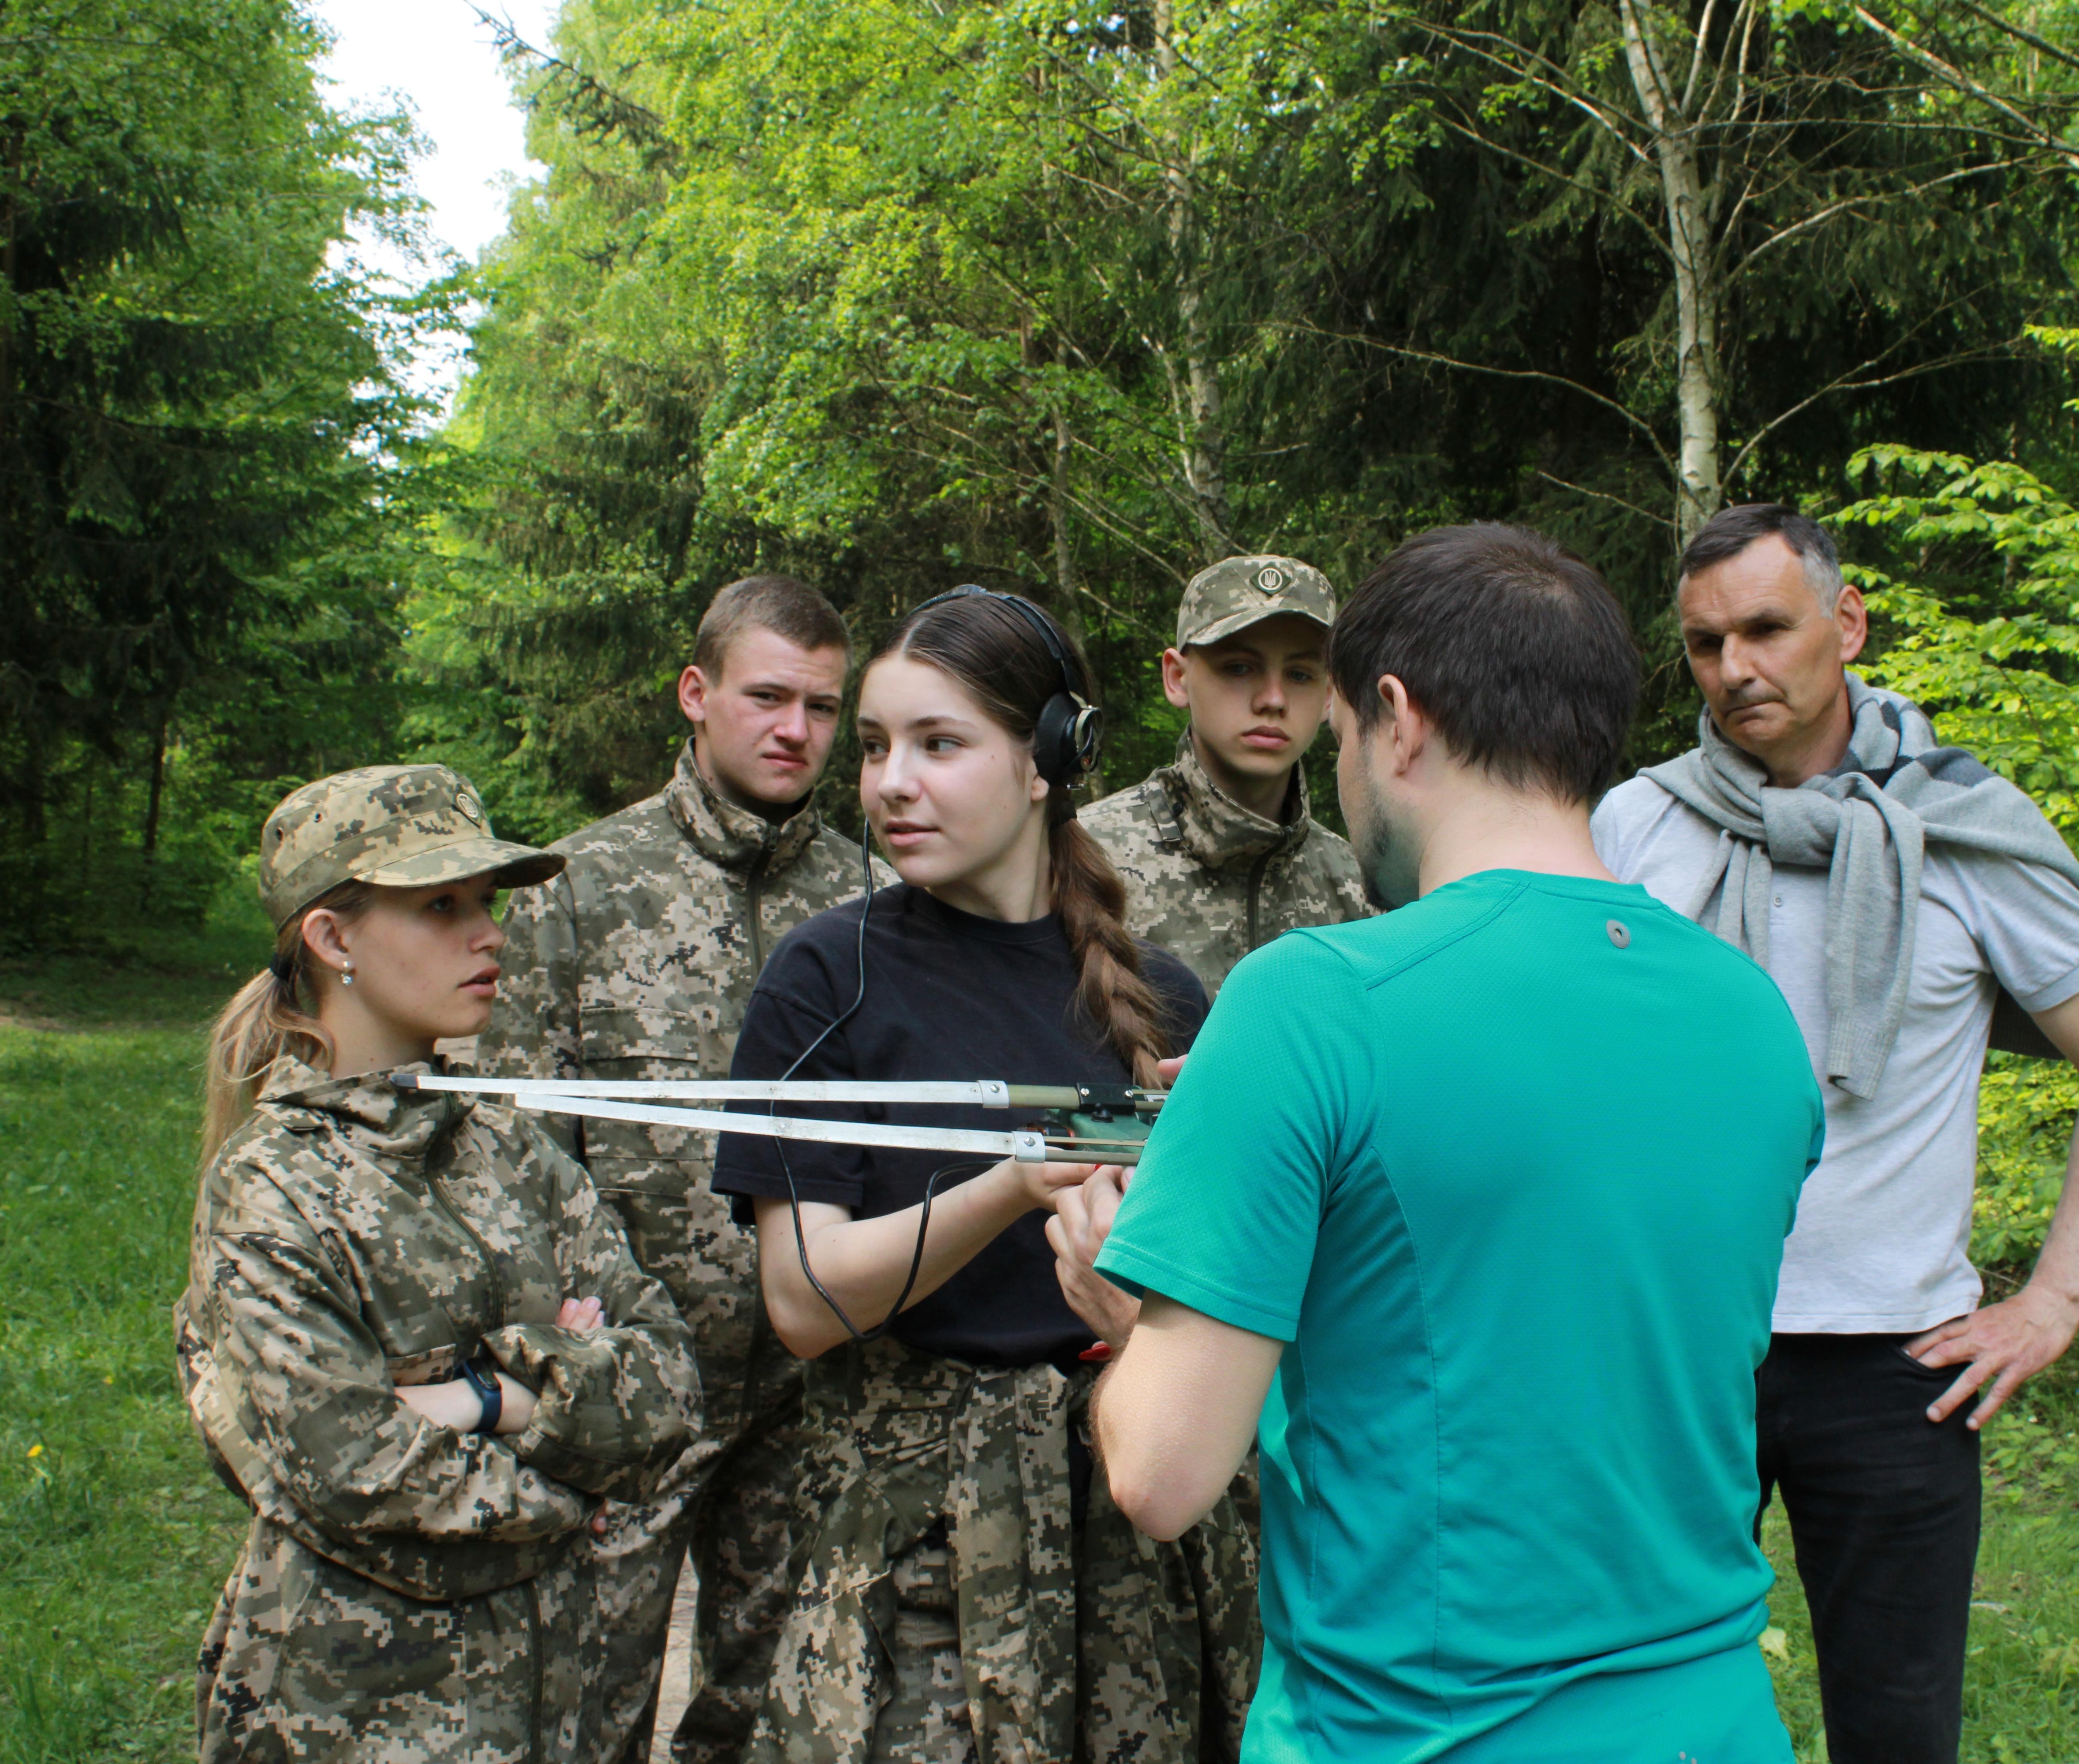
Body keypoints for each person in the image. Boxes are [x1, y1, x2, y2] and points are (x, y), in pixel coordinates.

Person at [1078, 523, 1826, 1761]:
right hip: (1713, 1723)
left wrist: (1131, 1309)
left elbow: (1162, 1475)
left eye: (1345, 743)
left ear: (1395, 717)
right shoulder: (1754, 1016)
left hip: (1416, 1732)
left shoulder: (1310, 1000)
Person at [1589, 505, 2079, 1763]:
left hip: (1901, 1366)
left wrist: (2057, 1299)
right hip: (1678, 1348)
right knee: (1637, 1709)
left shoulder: (1971, 829)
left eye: (1764, 629)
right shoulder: (1638, 825)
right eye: (1702, 645)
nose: (1734, 668)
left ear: (1846, 625)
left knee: (1899, 1730)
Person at [710, 587, 1258, 1764]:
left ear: (1052, 758)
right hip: (922, 1562)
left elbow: (1222, 1300)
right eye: (873, 748)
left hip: (1134, 1545)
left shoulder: (1164, 998)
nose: (890, 782)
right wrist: (1018, 1181)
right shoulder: (823, 977)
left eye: (938, 744)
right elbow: (804, 1303)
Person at [176, 763, 704, 1763]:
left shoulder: (507, 1150)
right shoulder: (270, 1189)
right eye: (442, 905)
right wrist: (572, 1488)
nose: (490, 931)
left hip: (552, 1707)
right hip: (354, 1715)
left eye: (487, 901)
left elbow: (667, 1377)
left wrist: (487, 1399)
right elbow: (350, 1469)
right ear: (334, 939)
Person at [478, 573, 881, 1763]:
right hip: (630, 1384)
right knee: (582, 1700)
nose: (794, 730)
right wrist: (566, 1350)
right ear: (696, 696)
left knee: (771, 1708)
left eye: (820, 707)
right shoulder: (579, 889)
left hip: (810, 1386)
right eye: (766, 697)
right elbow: (518, 1146)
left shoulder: (877, 902)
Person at [1079, 554, 1370, 994]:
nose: (1273, 699)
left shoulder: (1356, 883)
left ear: (1329, 696)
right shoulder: (1087, 855)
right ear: (1177, 678)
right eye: (1239, 667)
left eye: (1299, 674)